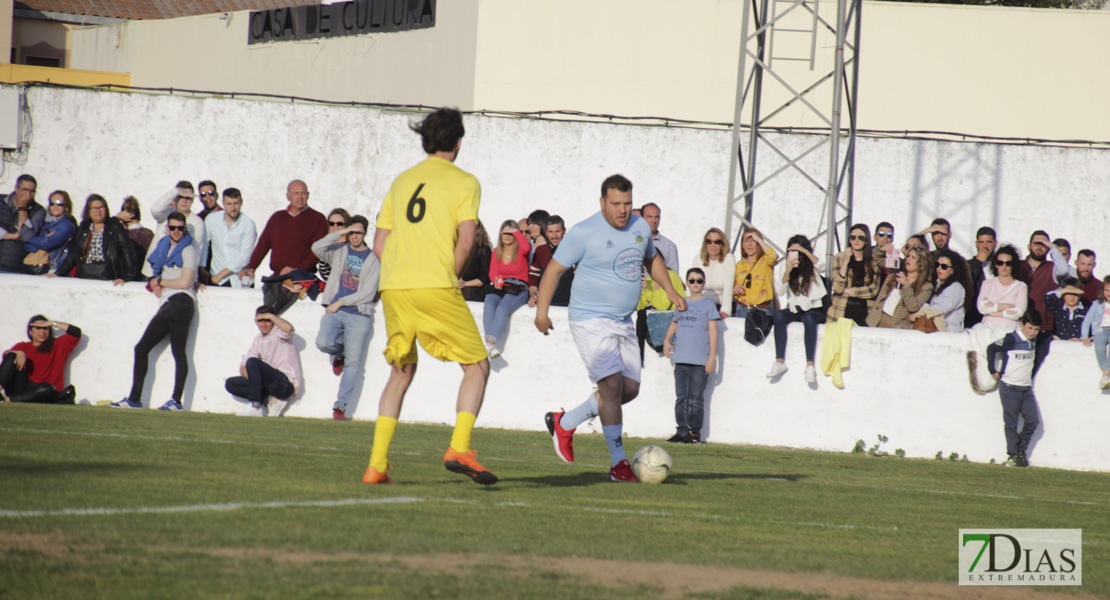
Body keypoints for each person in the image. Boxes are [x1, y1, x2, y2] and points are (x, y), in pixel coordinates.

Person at [364, 107, 497, 486]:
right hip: (434, 284)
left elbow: (379, 243)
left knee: (400, 372)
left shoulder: (402, 181)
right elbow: (467, 241)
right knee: (477, 366)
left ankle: (376, 466)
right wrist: (446, 276)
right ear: (458, 142)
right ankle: (459, 446)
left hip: (393, 287)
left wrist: (401, 270)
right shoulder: (465, 181)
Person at [536, 174, 687, 482]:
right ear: (602, 202)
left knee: (628, 390)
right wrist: (542, 312)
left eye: (627, 203)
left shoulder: (640, 226)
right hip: (590, 319)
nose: (622, 210)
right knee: (612, 387)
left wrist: (671, 292)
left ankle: (566, 422)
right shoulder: (583, 231)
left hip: (623, 321)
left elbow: (652, 259)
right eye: (616, 204)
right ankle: (619, 463)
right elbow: (553, 271)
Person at [110, 212, 199, 411]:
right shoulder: (163, 247)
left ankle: (174, 400)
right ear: (167, 228)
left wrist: (160, 282)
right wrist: (156, 282)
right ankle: (135, 399)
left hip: (181, 302)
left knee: (177, 352)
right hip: (170, 302)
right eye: (173, 227)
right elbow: (155, 278)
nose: (176, 231)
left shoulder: (189, 250)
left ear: (185, 229)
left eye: (180, 228)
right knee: (142, 348)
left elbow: (185, 282)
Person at [313, 215, 381, 421]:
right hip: (336, 312)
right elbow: (316, 248)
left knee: (353, 363)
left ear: (365, 233)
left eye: (358, 232)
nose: (354, 237)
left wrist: (340, 302)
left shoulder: (373, 259)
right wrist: (339, 233)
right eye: (351, 232)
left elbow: (368, 293)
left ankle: (340, 407)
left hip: (358, 314)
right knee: (323, 342)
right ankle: (339, 352)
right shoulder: (340, 250)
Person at [663, 268, 719, 444]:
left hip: (699, 359)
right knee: (681, 397)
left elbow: (713, 333)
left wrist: (711, 358)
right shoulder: (681, 302)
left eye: (699, 280)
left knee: (695, 398)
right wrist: (666, 341)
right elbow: (674, 323)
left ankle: (694, 432)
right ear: (687, 283)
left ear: (704, 282)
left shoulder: (708, 305)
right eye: (692, 280)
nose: (695, 284)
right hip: (681, 358)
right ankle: (681, 430)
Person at [986, 311, 1047, 468]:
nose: (1033, 333)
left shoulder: (1034, 340)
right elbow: (991, 348)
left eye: (1036, 329)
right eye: (1030, 328)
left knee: (1032, 420)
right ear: (1022, 325)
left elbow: (1046, 337)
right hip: (1010, 388)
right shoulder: (1011, 339)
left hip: (1026, 389)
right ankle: (1013, 456)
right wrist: (993, 370)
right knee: (1011, 424)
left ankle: (1021, 451)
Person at [240, 180, 329, 281]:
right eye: (296, 193)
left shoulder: (317, 218)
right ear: (288, 196)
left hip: (302, 278)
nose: (300, 197)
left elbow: (318, 251)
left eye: (303, 193)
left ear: (308, 195)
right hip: (278, 277)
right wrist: (252, 268)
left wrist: (297, 270)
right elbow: (263, 245)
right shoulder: (277, 217)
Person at [767, 235, 825, 383]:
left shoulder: (812, 267)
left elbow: (822, 266)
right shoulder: (785, 268)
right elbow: (780, 291)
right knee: (779, 315)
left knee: (809, 318)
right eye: (791, 250)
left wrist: (804, 251)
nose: (794, 254)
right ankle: (779, 361)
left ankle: (810, 365)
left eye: (797, 251)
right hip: (795, 309)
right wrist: (787, 271)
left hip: (814, 309)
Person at [226, 306, 303, 417]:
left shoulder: (280, 333)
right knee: (231, 383)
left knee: (254, 362)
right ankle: (270, 401)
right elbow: (244, 365)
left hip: (286, 384)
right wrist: (256, 380)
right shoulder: (259, 339)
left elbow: (289, 329)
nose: (264, 324)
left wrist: (271, 316)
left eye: (267, 320)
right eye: (260, 320)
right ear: (255, 321)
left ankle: (255, 406)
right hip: (270, 384)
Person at [51, 194, 137, 285]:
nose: (98, 211)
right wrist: (58, 273)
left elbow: (127, 251)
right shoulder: (84, 227)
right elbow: (74, 253)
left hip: (108, 276)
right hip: (85, 275)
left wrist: (127, 277)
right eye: (94, 208)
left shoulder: (114, 227)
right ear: (89, 211)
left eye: (101, 208)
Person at [0, 315, 80, 404]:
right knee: (12, 355)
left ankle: (7, 400)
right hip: (22, 387)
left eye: (45, 328)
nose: (42, 331)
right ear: (30, 332)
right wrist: (19, 353)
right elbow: (6, 357)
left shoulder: (58, 344)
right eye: (38, 328)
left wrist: (52, 323)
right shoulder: (23, 346)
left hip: (43, 391)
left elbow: (76, 333)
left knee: (48, 389)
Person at [144, 183, 205, 278]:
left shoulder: (196, 222)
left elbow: (196, 252)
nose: (184, 200)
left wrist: (192, 278)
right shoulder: (166, 213)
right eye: (180, 196)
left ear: (193, 199)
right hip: (152, 270)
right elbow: (155, 210)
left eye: (188, 197)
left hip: (177, 275)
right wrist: (175, 191)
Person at [868, 245, 934, 329]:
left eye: (913, 257)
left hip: (899, 326)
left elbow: (913, 307)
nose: (908, 259)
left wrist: (906, 286)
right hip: (879, 319)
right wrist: (881, 249)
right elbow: (877, 259)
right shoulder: (897, 269)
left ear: (921, 264)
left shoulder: (926, 287)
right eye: (908, 256)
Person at [827, 223, 880, 326]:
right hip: (843, 309)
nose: (856, 240)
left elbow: (873, 290)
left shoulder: (873, 261)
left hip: (866, 312)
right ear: (849, 239)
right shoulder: (839, 258)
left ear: (866, 240)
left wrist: (850, 291)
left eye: (860, 237)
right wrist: (846, 262)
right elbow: (837, 288)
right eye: (853, 237)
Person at [204, 188, 257, 288]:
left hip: (239, 280)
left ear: (241, 202)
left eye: (236, 203)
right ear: (223, 203)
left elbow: (245, 257)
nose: (233, 208)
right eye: (229, 204)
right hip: (216, 278)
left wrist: (220, 275)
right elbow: (203, 245)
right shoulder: (211, 219)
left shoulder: (248, 224)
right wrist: (202, 268)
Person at [1020, 230, 1069, 333]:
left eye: (1043, 244)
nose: (1039, 247)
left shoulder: (1052, 268)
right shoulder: (1019, 266)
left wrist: (1052, 247)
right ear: (1029, 246)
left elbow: (1064, 269)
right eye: (1036, 243)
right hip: (1021, 324)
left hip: (1043, 326)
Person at [913, 248, 973, 333]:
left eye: (944, 266)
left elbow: (942, 308)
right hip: (937, 331)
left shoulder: (955, 287)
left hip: (950, 332)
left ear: (953, 270)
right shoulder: (938, 284)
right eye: (937, 264)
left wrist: (920, 312)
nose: (939, 268)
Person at [23, 190, 76, 275]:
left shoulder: (67, 225)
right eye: (52, 203)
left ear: (66, 206)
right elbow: (27, 246)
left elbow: (46, 243)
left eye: (60, 203)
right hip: (42, 268)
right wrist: (39, 242)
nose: (55, 206)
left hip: (55, 269)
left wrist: (31, 239)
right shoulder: (47, 225)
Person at [0, 174, 45, 273]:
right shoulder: (1, 201)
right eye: (25, 190)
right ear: (16, 188)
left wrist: (23, 209)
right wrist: (11, 236)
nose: (28, 194)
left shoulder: (37, 211)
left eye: (32, 191)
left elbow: (26, 236)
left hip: (13, 266)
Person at [977, 244, 1028, 330]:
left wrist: (992, 308)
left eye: (1008, 263)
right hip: (988, 328)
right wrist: (1007, 306)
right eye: (1000, 263)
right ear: (996, 264)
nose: (1004, 266)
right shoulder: (987, 284)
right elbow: (981, 308)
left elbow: (1019, 312)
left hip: (1011, 328)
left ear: (1013, 265)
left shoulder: (1021, 286)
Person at [527, 216, 573, 308]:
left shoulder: (573, 250)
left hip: (567, 305)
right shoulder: (541, 250)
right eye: (551, 232)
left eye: (558, 231)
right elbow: (533, 278)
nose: (554, 236)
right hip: (544, 304)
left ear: (564, 231)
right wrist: (533, 295)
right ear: (546, 233)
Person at [731, 227, 774, 320]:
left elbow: (773, 255)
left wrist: (758, 239)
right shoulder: (738, 265)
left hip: (762, 310)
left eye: (753, 241)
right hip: (742, 309)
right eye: (746, 241)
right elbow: (730, 287)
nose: (749, 244)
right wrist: (733, 290)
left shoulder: (766, 261)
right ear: (742, 244)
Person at [1080, 275, 1110, 389]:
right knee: (1099, 347)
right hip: (1101, 330)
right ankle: (1105, 374)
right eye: (1106, 290)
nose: (1108, 293)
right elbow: (1087, 321)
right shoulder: (1097, 304)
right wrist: (1084, 336)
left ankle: (1105, 375)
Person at [966, 226, 997, 328]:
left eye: (988, 242)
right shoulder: (968, 265)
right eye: (981, 242)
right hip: (975, 318)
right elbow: (966, 282)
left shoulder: (1002, 265)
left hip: (996, 317)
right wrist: (978, 262)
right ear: (976, 244)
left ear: (995, 244)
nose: (985, 246)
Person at [459, 220, 492, 302]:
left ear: (478, 230)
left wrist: (465, 284)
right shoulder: (457, 247)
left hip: (473, 289)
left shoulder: (483, 249)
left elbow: (486, 277)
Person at [641, 202, 679, 272]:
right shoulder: (633, 241)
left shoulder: (669, 246)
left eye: (657, 217)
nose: (654, 220)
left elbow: (673, 276)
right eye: (650, 216)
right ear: (641, 218)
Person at [317, 208, 350, 283]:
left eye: (340, 224)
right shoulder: (326, 246)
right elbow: (324, 272)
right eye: (331, 223)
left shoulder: (355, 244)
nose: (335, 226)